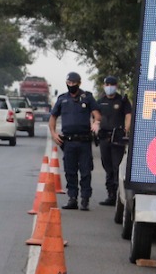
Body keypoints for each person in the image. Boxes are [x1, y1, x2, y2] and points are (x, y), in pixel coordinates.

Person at [48, 72, 101, 211]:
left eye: (74, 83)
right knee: (70, 171)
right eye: (69, 83)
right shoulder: (62, 99)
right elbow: (53, 117)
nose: (71, 85)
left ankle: (85, 199)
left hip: (84, 141)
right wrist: (53, 133)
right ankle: (72, 198)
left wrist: (96, 122)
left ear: (79, 83)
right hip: (68, 142)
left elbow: (96, 114)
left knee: (85, 171)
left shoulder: (87, 97)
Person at [96, 75, 133, 206]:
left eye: (112, 85)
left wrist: (125, 130)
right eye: (107, 85)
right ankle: (110, 194)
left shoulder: (122, 101)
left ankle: (118, 195)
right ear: (104, 86)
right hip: (104, 137)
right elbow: (96, 118)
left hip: (117, 138)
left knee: (117, 166)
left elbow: (128, 116)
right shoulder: (100, 102)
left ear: (116, 86)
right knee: (107, 166)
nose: (109, 87)